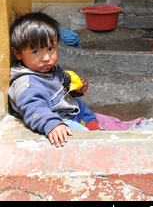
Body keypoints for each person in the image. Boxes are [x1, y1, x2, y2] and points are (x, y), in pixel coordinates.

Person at [9, 12, 101, 148]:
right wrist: (52, 124)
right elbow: (33, 108)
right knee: (76, 132)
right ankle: (95, 140)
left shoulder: (47, 68)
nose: (46, 58)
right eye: (35, 51)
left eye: (51, 49)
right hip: (57, 117)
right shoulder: (27, 84)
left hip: (66, 108)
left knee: (82, 108)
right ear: (17, 53)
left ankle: (96, 130)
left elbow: (62, 82)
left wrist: (77, 88)